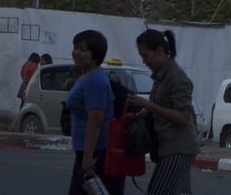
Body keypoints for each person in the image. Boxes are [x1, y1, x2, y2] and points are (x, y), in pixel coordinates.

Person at [127, 29, 200, 194]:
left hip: (179, 147)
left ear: (159, 51)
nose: (144, 61)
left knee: (158, 190)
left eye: (145, 56)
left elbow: (183, 117)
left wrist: (148, 105)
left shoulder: (176, 77)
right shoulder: (161, 76)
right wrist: (138, 115)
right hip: (167, 146)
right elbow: (160, 106)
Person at [65, 28, 124, 195]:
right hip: (87, 150)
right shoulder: (86, 76)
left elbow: (95, 120)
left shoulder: (95, 80)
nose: (76, 53)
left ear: (95, 54)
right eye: (75, 47)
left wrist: (88, 157)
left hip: (97, 152)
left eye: (82, 49)